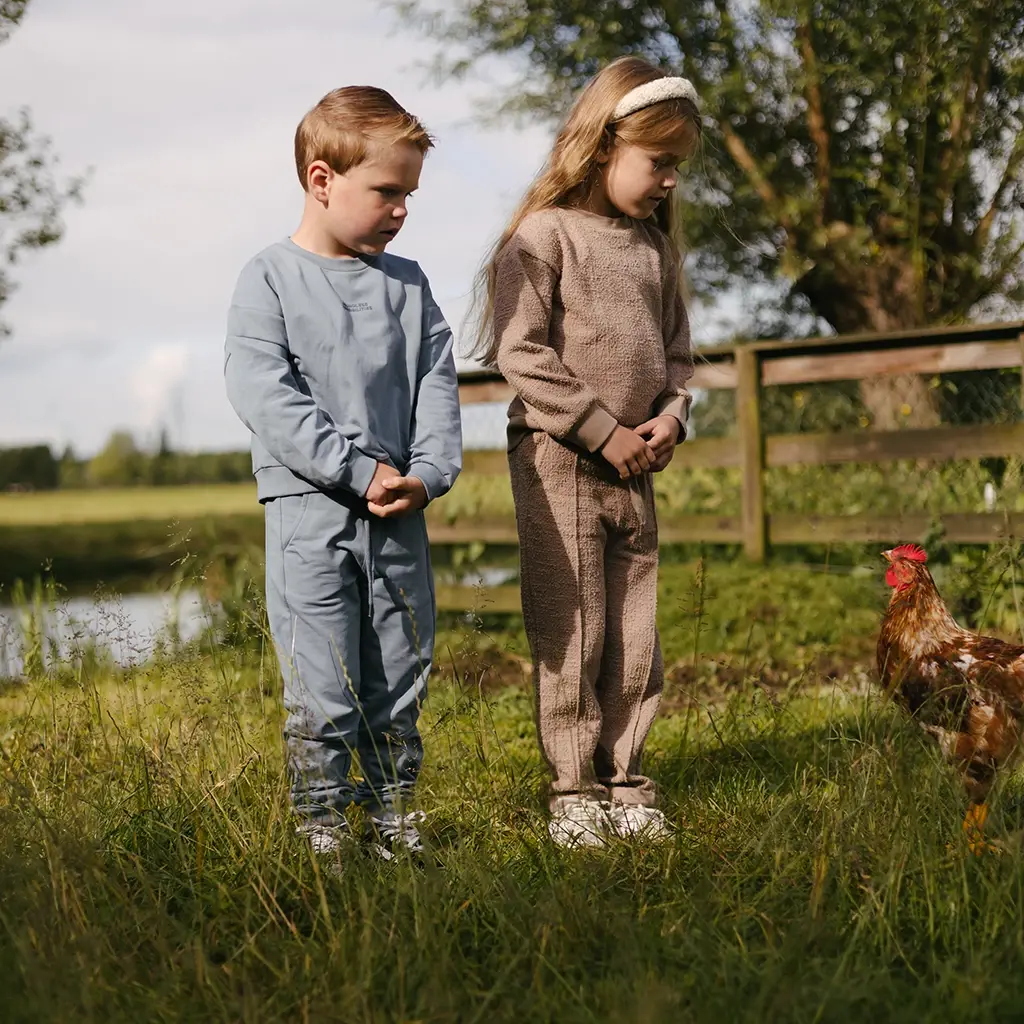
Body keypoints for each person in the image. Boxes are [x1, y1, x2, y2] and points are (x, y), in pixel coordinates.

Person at [224, 86, 462, 858]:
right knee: (322, 683)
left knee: (399, 671)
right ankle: (322, 826)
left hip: (400, 515)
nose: (401, 210)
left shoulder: (410, 285)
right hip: (308, 515)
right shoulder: (269, 278)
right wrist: (355, 471)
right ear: (322, 180)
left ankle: (394, 816)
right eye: (387, 191)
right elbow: (265, 392)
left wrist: (425, 475)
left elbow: (437, 387)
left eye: (410, 195)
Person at [478, 57, 700, 847]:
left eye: (678, 165)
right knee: (574, 631)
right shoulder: (543, 238)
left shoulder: (652, 252)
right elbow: (523, 353)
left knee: (637, 635)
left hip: (637, 471)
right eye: (660, 161)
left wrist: (670, 417)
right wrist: (602, 428)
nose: (671, 180)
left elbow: (678, 357)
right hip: (561, 463)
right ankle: (574, 791)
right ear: (605, 144)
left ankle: (629, 782)